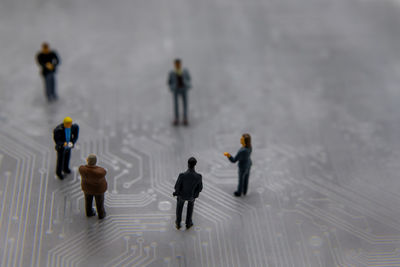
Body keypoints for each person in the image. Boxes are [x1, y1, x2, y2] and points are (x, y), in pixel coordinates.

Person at [173, 157, 202, 229]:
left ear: (188, 164)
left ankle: (178, 223)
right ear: (195, 164)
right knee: (190, 208)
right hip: (191, 196)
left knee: (179, 209)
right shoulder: (198, 176)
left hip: (181, 196)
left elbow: (177, 186)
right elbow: (200, 188)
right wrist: (195, 195)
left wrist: (176, 193)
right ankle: (188, 223)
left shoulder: (182, 175)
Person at [79, 154, 107, 219]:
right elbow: (104, 171)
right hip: (98, 190)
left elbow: (82, 167)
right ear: (96, 161)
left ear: (87, 160)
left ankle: (89, 213)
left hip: (87, 189)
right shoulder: (100, 172)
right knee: (99, 203)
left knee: (88, 202)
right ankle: (101, 214)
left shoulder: (82, 169)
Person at [167, 59, 192, 126]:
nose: (177, 65)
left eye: (178, 64)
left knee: (185, 104)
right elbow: (169, 82)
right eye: (176, 64)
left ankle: (185, 118)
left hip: (184, 89)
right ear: (175, 65)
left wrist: (188, 85)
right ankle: (176, 118)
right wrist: (172, 88)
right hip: (176, 90)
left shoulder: (185, 71)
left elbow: (189, 79)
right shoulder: (172, 72)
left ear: (180, 64)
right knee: (176, 105)